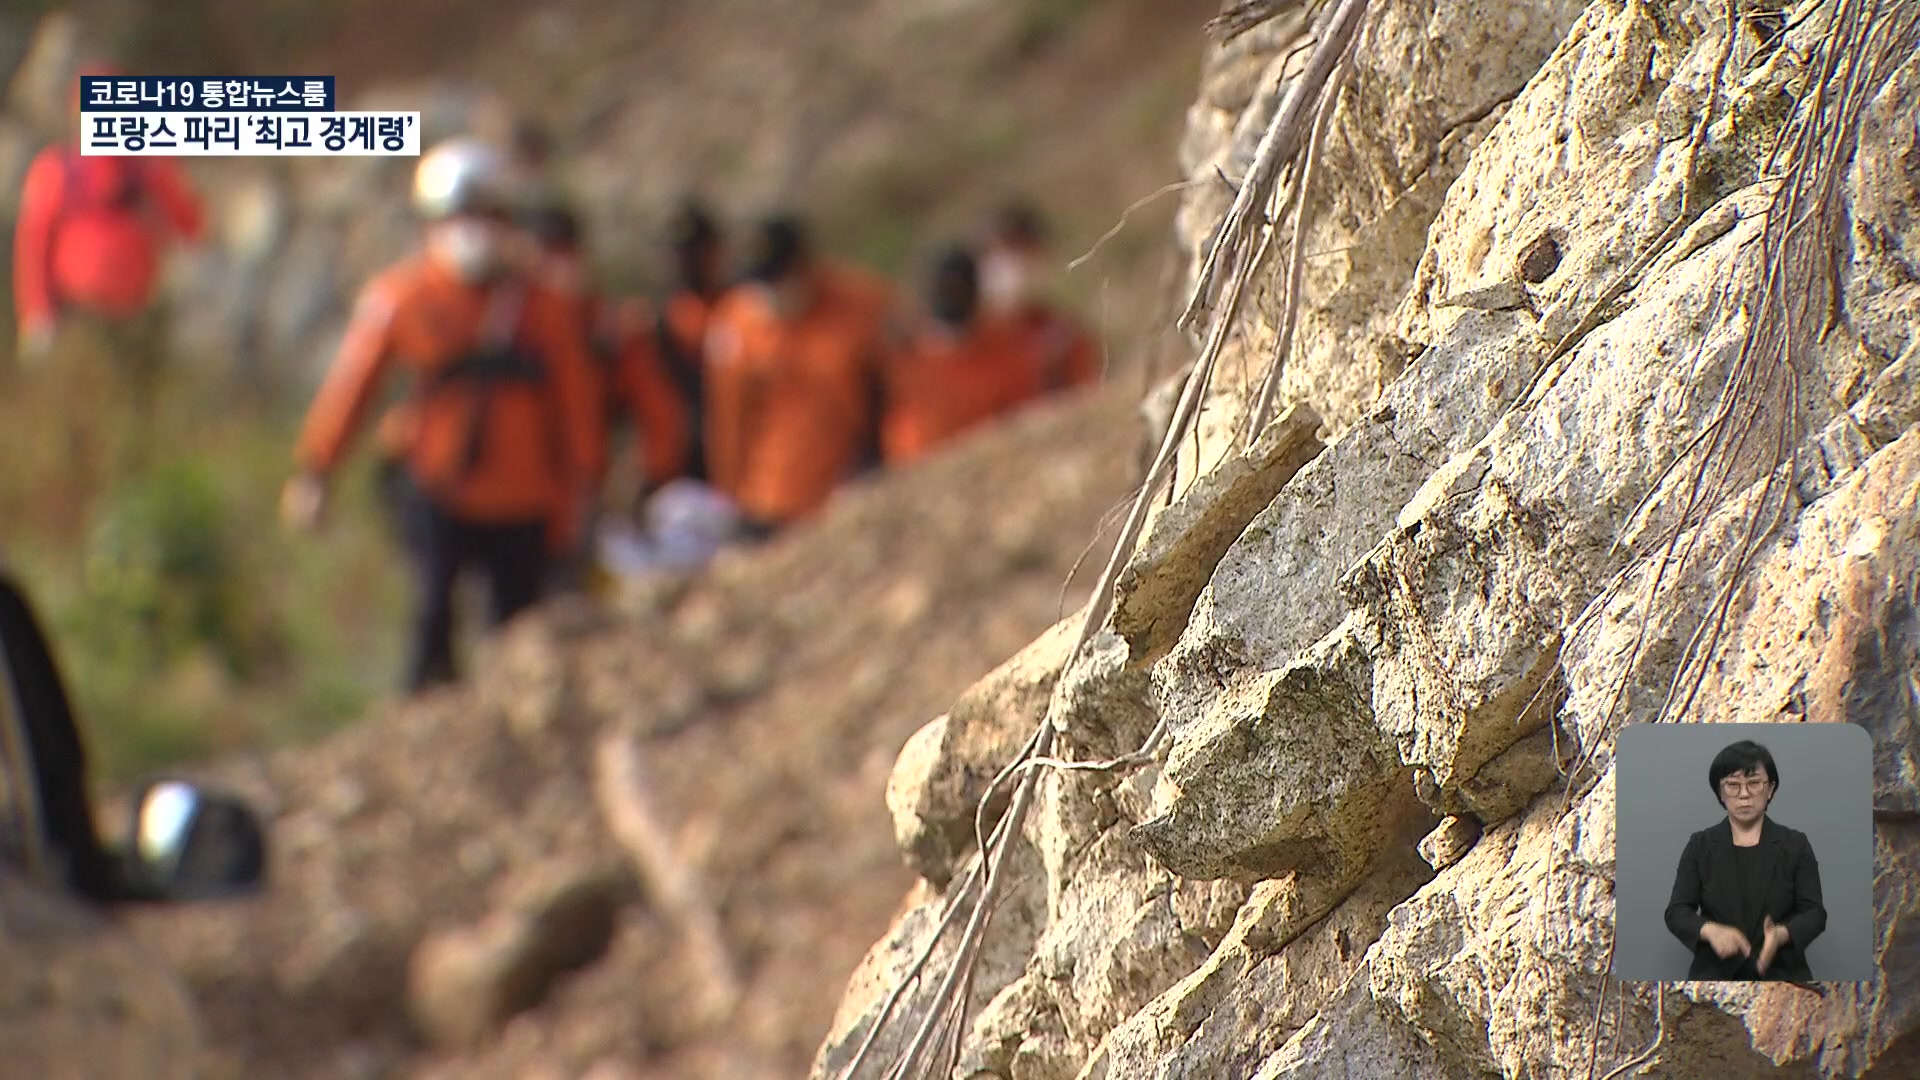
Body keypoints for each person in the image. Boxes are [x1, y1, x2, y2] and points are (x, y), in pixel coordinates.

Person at [279, 136, 603, 694]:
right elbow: (353, 388)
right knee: (431, 615)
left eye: (486, 214)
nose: (473, 231)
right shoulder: (403, 297)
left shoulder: (546, 306)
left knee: (518, 628)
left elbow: (577, 405)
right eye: (459, 215)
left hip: (524, 498)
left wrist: (584, 487)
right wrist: (317, 469)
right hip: (437, 484)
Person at [10, 62, 204, 409]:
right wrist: (37, 315)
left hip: (135, 319)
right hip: (77, 319)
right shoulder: (57, 171)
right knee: (77, 411)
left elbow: (189, 225)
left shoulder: (147, 168)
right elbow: (33, 246)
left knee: (131, 409)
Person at [522, 202, 691, 589]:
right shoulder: (515, 337)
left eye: (564, 254)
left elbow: (659, 414)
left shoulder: (610, 331)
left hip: (593, 499)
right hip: (525, 498)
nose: (558, 271)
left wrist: (644, 475)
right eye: (547, 257)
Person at [702, 214, 895, 538]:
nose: (768, 294)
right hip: (768, 500)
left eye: (777, 281)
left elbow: (898, 389)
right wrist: (729, 496)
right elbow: (729, 421)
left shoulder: (861, 305)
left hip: (848, 496)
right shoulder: (735, 324)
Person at [1664, 739, 1827, 980]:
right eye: (1732, 785)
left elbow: (1815, 913)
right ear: (1720, 792)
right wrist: (1710, 931)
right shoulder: (1700, 845)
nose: (1744, 795)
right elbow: (1677, 911)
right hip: (1715, 976)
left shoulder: (1796, 845)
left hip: (1783, 975)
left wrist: (1781, 935)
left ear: (1770, 789)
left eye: (1754, 784)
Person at [880, 245, 1033, 465]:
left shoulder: (1005, 351)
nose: (950, 296)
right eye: (943, 288)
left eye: (957, 289)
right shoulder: (895, 357)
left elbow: (1023, 422)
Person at [976, 199, 1100, 401]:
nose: (1009, 270)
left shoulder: (1063, 338)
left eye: (1018, 253)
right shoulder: (958, 345)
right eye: (1000, 253)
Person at [649, 198, 728, 483]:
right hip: (680, 463)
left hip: (738, 458)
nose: (684, 262)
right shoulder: (659, 318)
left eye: (694, 252)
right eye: (678, 252)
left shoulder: (743, 308)